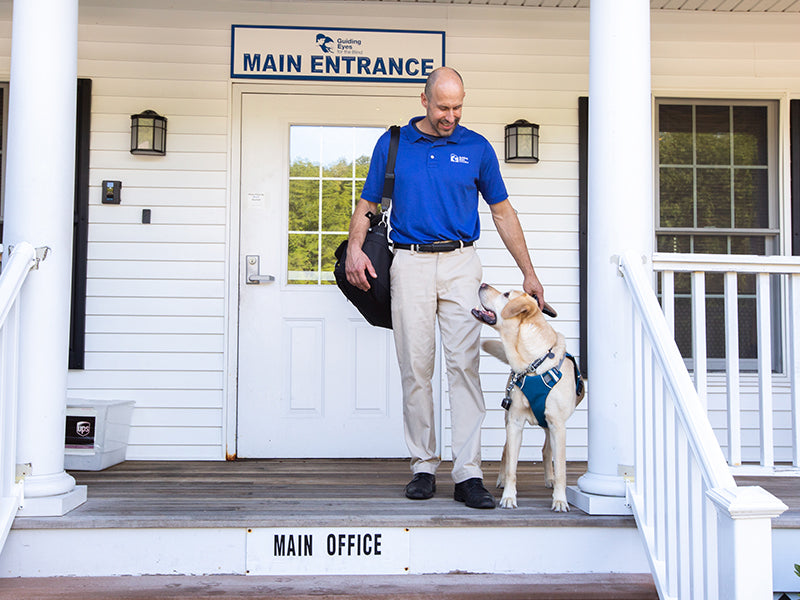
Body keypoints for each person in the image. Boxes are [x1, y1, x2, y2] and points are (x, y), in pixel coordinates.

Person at [345, 66, 544, 509]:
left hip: (460, 264)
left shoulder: (476, 148)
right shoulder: (394, 143)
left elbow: (503, 213)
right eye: (442, 107)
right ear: (424, 100)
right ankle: (422, 465)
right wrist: (355, 249)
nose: (449, 116)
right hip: (409, 262)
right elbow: (368, 202)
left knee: (464, 367)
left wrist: (528, 272)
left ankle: (468, 472)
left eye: (457, 107)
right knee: (415, 367)